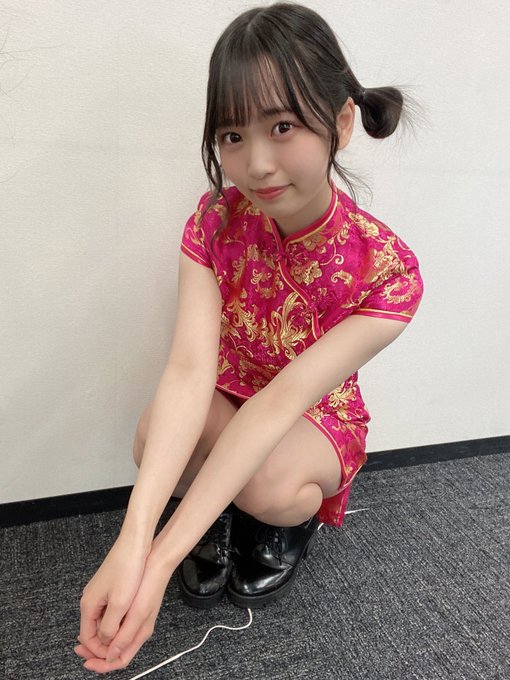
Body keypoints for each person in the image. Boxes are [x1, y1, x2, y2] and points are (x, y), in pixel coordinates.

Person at [74, 2, 424, 673]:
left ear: (341, 123)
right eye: (232, 135)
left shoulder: (388, 271)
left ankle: (279, 523)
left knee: (268, 484)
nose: (257, 164)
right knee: (154, 438)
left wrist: (160, 563)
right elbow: (189, 370)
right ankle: (209, 513)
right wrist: (133, 543)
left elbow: (281, 401)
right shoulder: (214, 221)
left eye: (283, 126)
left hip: (309, 413)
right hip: (229, 389)